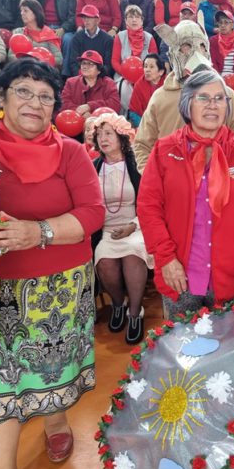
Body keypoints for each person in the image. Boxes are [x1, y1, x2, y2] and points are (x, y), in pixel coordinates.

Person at [0, 58, 105, 469]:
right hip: (1, 287)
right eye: (23, 91)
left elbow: (93, 212)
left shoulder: (70, 151)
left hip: (62, 283)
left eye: (45, 96)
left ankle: (56, 421)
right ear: (1, 97)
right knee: (3, 376)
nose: (35, 103)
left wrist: (38, 231)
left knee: (53, 365)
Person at [137, 70, 234, 316]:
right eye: (204, 98)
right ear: (187, 104)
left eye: (220, 98)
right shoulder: (165, 150)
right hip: (179, 276)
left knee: (230, 339)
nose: (213, 105)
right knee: (181, 340)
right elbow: (148, 207)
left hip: (232, 277)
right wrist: (166, 258)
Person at [133, 20, 234, 172]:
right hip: (173, 182)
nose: (196, 53)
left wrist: (229, 175)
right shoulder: (160, 98)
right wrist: (154, 178)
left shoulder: (226, 95)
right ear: (174, 53)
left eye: (202, 46)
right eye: (187, 46)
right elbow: (142, 145)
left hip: (216, 183)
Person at [90, 113, 151, 343]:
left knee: (133, 255)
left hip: (137, 225)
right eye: (99, 134)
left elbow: (150, 202)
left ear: (121, 136)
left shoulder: (137, 163)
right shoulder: (93, 167)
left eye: (108, 133)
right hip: (106, 229)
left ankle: (135, 313)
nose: (103, 139)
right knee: (104, 260)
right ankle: (118, 304)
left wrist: (133, 225)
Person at [111, 4, 157, 115]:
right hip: (123, 76)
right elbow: (114, 61)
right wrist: (127, 75)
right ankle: (127, 115)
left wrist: (144, 75)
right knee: (123, 88)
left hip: (146, 75)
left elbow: (154, 61)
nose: (134, 20)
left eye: (137, 17)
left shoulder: (149, 37)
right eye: (131, 17)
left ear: (142, 21)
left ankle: (146, 116)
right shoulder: (119, 36)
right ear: (126, 21)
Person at [30, 0, 77, 74]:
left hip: (61, 28)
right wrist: (41, 28)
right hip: (42, 27)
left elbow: (73, 17)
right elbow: (31, 12)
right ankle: (38, 72)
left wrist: (63, 29)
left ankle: (65, 74)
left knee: (68, 39)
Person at [60, 50, 120, 117]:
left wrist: (90, 106)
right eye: (83, 63)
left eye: (90, 64)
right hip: (75, 120)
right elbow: (63, 104)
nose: (85, 67)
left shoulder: (109, 83)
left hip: (101, 121)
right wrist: (82, 113)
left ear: (99, 70)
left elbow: (115, 105)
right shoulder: (71, 82)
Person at [8, 0, 63, 68]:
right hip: (22, 68)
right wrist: (28, 62)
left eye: (25, 10)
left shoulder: (49, 33)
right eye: (21, 11)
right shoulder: (18, 32)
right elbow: (10, 56)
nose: (22, 13)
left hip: (43, 69)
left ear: (36, 13)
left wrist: (39, 60)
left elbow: (59, 59)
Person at [66, 5, 114, 77]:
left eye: (89, 17)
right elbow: (73, 64)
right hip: (81, 77)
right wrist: (84, 77)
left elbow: (108, 66)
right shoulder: (76, 38)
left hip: (101, 78)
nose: (86, 21)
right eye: (84, 18)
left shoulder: (108, 40)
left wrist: (95, 78)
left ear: (98, 20)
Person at [209, 10, 234, 85]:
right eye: (220, 23)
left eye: (226, 22)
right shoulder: (213, 41)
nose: (223, 25)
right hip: (219, 79)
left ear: (232, 25)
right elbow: (213, 63)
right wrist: (220, 80)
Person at [128, 53, 165, 127]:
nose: (147, 70)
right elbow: (133, 112)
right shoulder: (139, 85)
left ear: (161, 72)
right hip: (144, 124)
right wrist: (145, 127)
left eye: (151, 67)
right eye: (145, 66)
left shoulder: (168, 84)